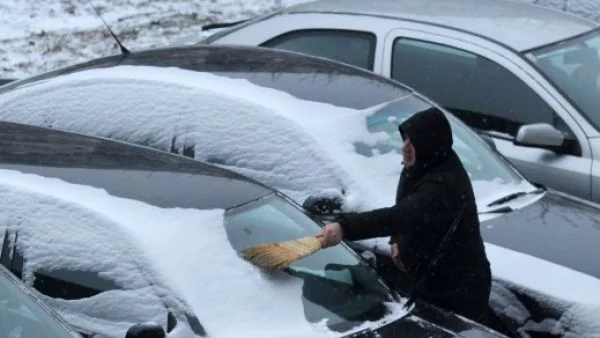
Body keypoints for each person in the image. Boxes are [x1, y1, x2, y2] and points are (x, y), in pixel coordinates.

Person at [318, 107, 492, 324]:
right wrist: (398, 239)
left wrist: (344, 227)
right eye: (405, 139)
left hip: (456, 293)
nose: (405, 148)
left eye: (413, 142)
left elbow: (402, 215)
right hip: (432, 279)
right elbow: (410, 213)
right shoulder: (425, 163)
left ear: (429, 144)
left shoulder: (442, 186)